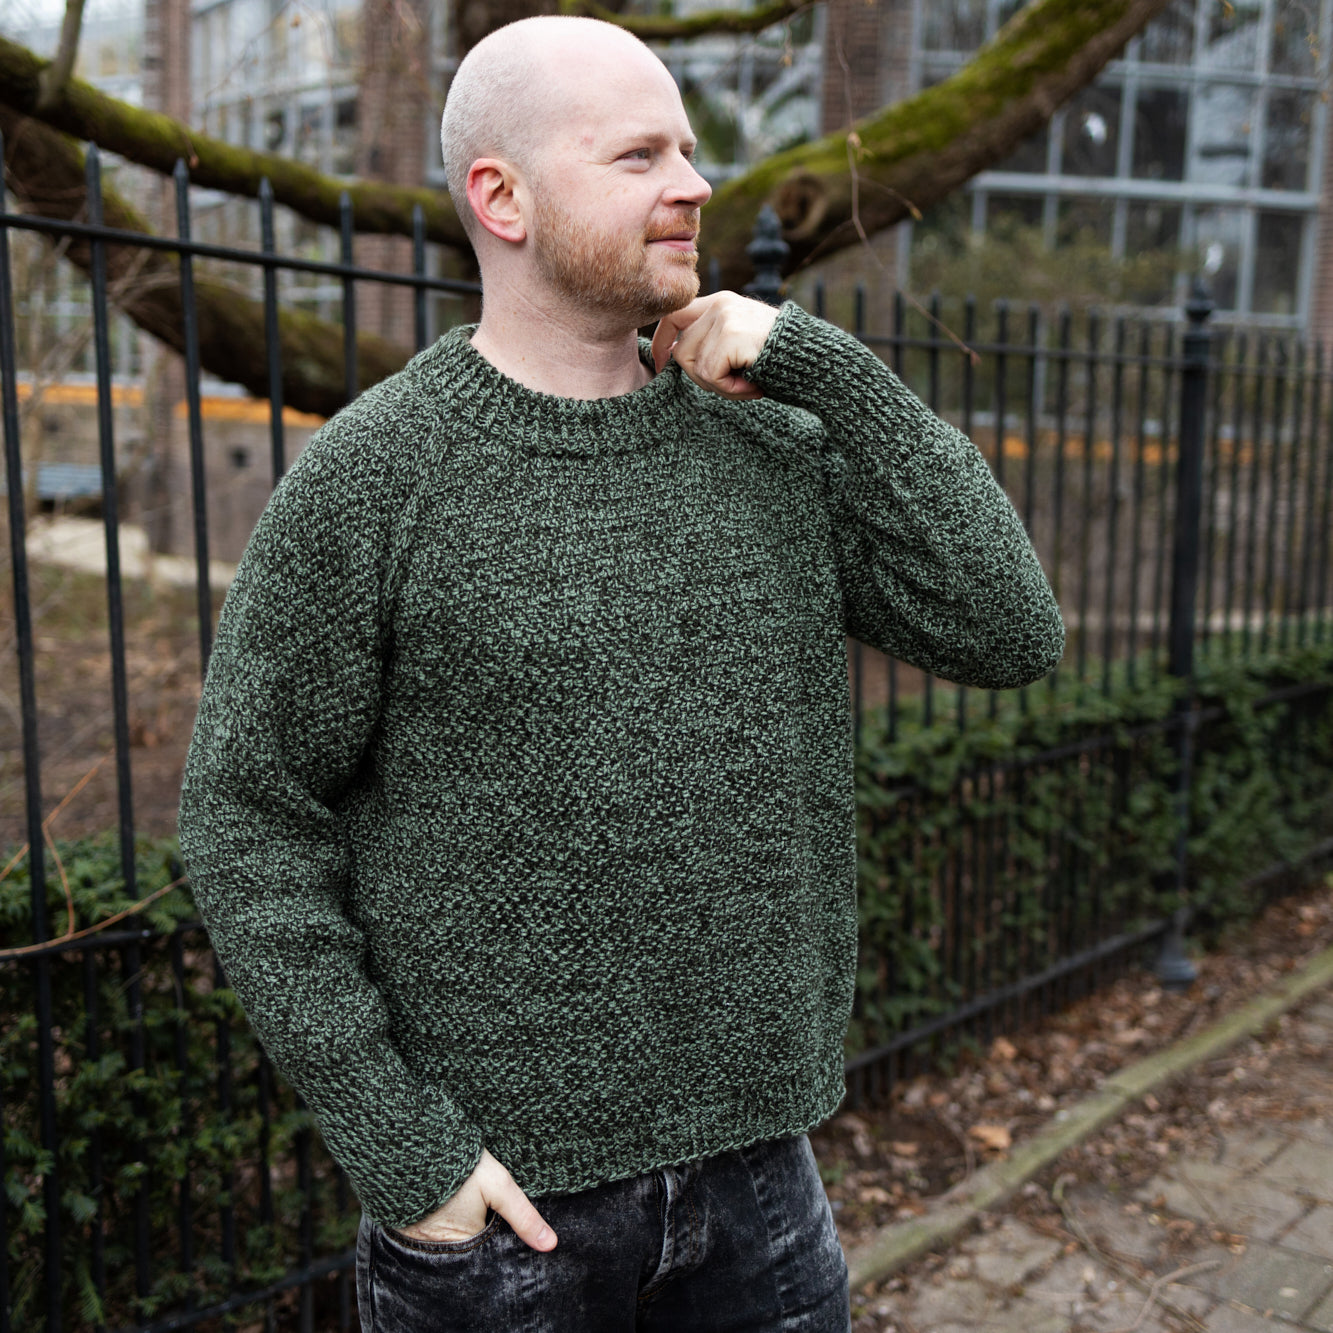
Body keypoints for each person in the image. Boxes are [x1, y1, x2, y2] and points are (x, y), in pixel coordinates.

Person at [177, 14, 1064, 1332]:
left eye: (689, 151)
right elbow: (244, 814)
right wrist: (405, 1152)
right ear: (504, 199)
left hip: (760, 1183)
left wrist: (821, 365)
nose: (694, 184)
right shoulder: (376, 479)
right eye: (639, 156)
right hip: (500, 1228)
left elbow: (1008, 631)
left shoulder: (763, 445)